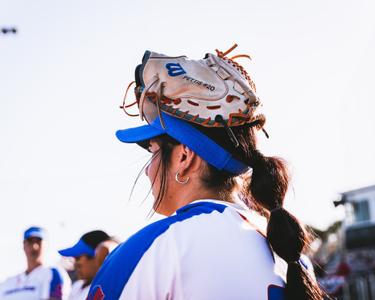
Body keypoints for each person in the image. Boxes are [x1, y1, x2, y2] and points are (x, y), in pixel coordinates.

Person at [87, 45, 325, 299]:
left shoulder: (156, 249)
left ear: (184, 157)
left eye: (153, 151)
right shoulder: (287, 251)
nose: (148, 170)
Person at [0, 226, 71, 300]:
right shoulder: (7, 283)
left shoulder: (53, 274)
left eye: (38, 241)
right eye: (30, 241)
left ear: (46, 245)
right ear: (24, 245)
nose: (34, 246)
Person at [58, 230, 117, 300]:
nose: (75, 264)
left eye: (78, 258)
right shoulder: (77, 286)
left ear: (96, 257)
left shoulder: (106, 287)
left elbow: (107, 248)